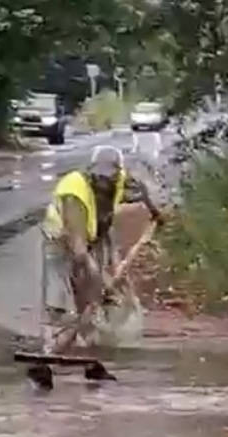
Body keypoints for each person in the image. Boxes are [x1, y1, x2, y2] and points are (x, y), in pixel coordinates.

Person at [32, 146, 162, 389]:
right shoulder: (75, 190)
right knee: (59, 305)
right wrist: (101, 281)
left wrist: (155, 211)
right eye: (99, 177)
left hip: (91, 242)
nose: (103, 183)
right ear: (91, 173)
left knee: (90, 305)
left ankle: (90, 363)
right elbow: (78, 249)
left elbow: (138, 189)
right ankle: (47, 355)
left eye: (109, 178)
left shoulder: (119, 180)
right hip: (59, 245)